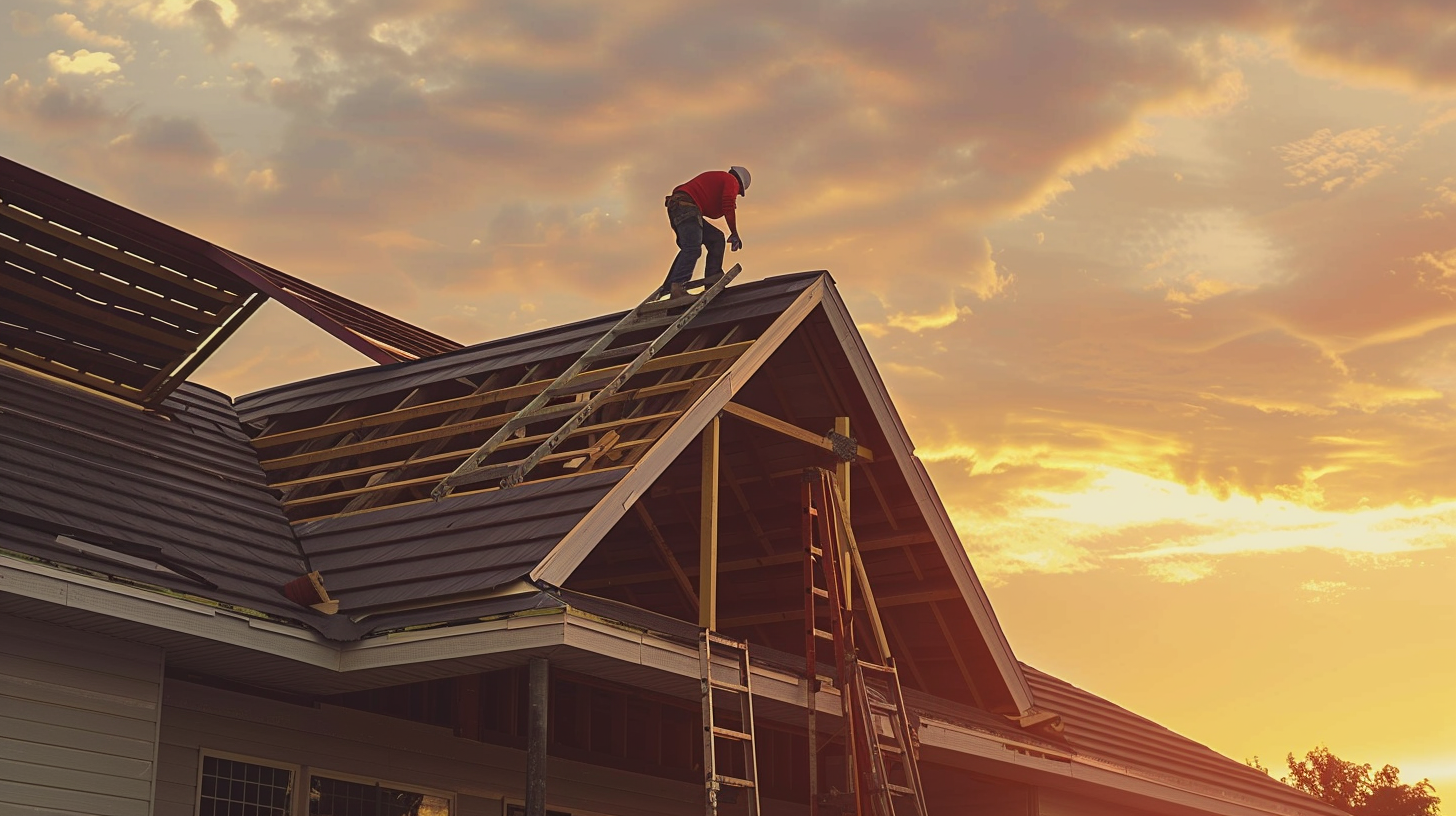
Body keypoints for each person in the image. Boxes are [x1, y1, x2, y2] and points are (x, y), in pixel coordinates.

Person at [661, 166, 750, 298]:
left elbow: (712, 209)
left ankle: (711, 280)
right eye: (738, 193)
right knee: (692, 249)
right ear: (740, 184)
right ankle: (677, 287)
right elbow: (727, 204)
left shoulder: (718, 179)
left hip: (682, 207)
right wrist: (734, 233)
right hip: (686, 207)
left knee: (716, 238)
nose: (735, 194)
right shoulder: (731, 180)